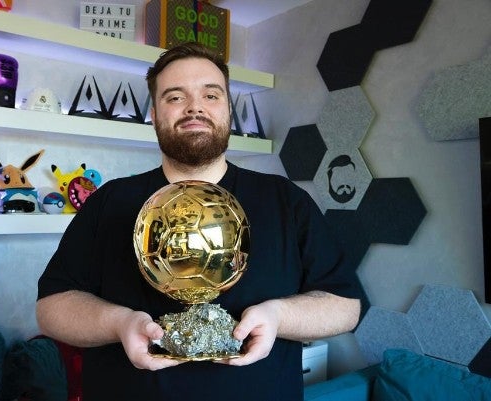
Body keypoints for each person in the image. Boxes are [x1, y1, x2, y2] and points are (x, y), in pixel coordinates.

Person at [36, 42, 362, 401]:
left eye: (210, 95)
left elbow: (346, 306)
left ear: (228, 110)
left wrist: (278, 316)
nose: (195, 107)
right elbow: (51, 308)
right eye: (175, 97)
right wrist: (119, 323)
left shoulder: (286, 200)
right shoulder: (110, 202)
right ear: (155, 114)